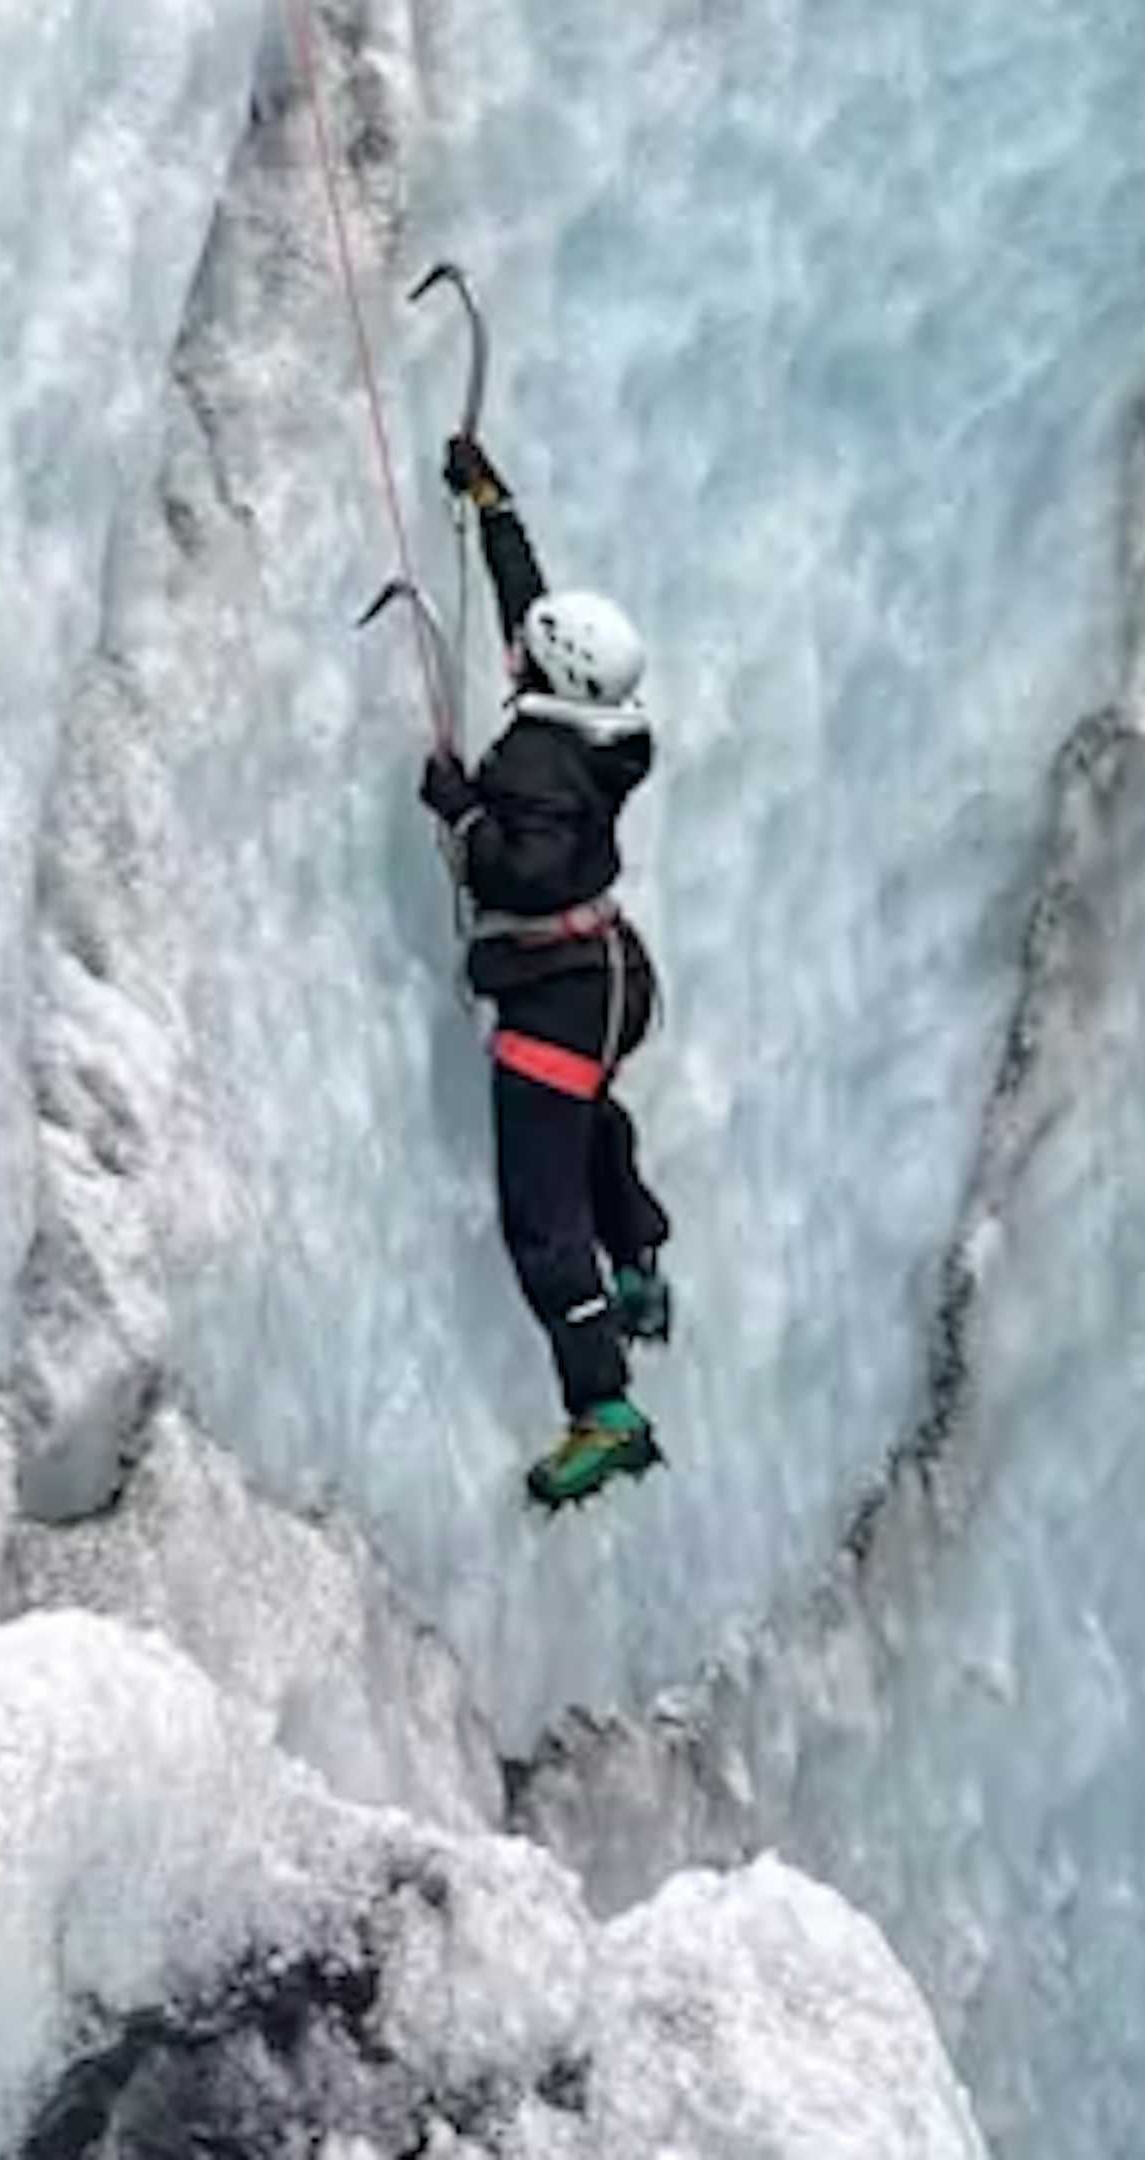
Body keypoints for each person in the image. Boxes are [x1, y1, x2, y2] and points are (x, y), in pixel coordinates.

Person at [421, 431, 674, 1508]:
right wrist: (495, 505)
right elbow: (535, 609)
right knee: (596, 1127)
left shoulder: (535, 764)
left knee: (541, 1213)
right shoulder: (595, 730)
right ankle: (641, 1271)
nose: (513, 653)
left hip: (559, 997)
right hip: (613, 976)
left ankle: (604, 1412)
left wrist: (461, 808)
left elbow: (523, 874)